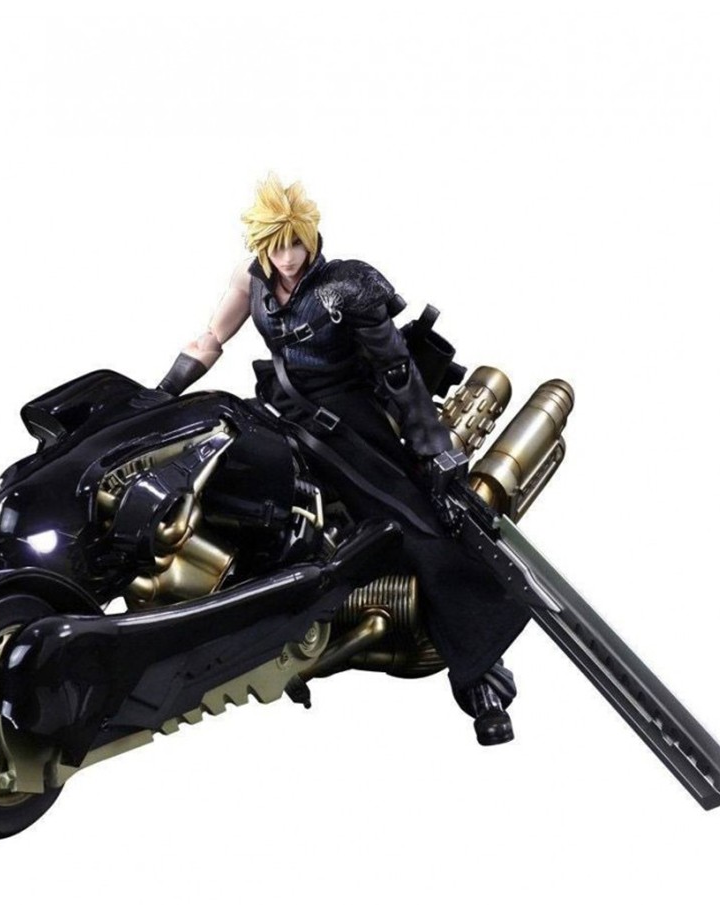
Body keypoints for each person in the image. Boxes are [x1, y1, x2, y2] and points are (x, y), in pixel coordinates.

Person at [157, 175, 528, 745]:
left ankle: (480, 675)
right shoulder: (249, 278)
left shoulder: (347, 285)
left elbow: (396, 369)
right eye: (276, 246)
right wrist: (159, 396)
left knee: (418, 525)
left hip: (347, 421)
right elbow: (210, 337)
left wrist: (432, 447)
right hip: (278, 408)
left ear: (311, 237)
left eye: (295, 243)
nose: (287, 257)